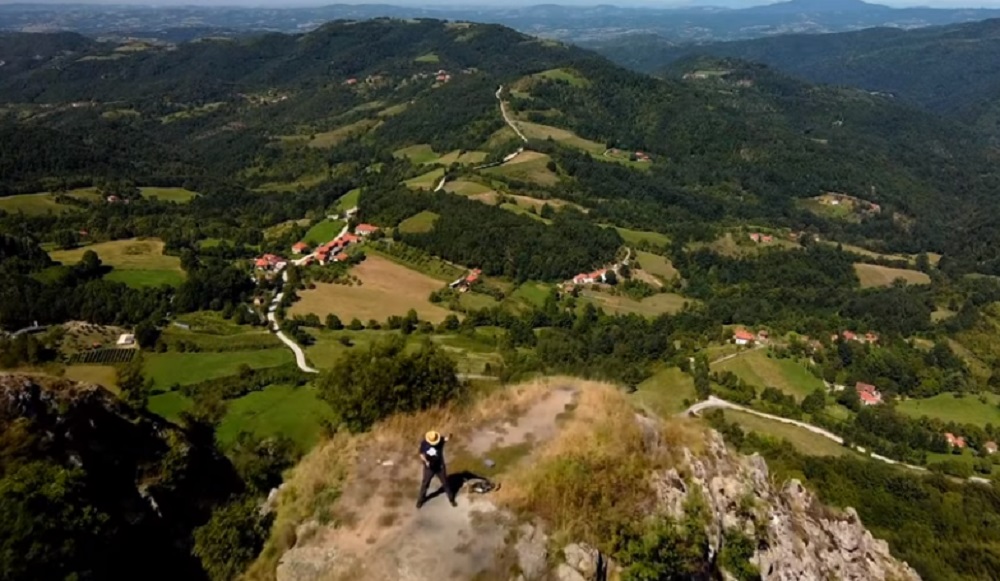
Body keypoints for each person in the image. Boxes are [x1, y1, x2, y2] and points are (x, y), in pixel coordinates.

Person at [416, 430, 456, 509]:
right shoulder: (424, 443)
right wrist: (426, 461)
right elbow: (421, 454)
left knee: (445, 483)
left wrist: (450, 435)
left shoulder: (440, 440)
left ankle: (451, 499)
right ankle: (420, 501)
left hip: (439, 466)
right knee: (425, 484)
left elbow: (446, 439)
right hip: (429, 468)